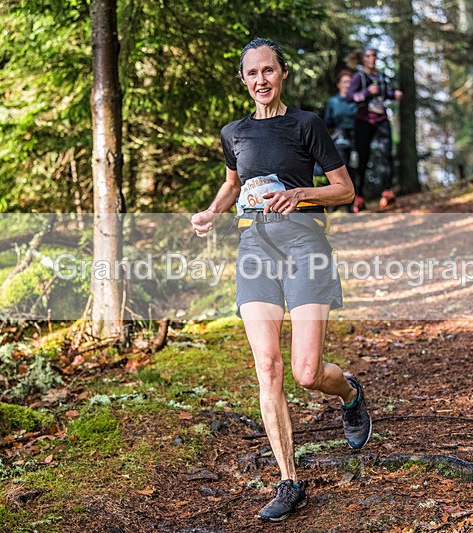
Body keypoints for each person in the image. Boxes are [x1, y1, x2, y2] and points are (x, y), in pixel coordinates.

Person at [190, 38, 373, 523]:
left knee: (307, 374)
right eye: (252, 73)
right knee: (267, 367)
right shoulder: (234, 132)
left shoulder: (305, 124)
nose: (261, 80)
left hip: (305, 246)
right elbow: (233, 183)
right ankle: (290, 480)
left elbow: (344, 189)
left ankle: (349, 393)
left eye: (268, 70)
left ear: (282, 73)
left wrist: (300, 195)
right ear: (243, 80)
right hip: (255, 250)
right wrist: (211, 212)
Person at [345, 46, 403, 212]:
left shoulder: (381, 76)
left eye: (374, 56)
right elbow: (349, 97)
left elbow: (385, 93)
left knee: (387, 154)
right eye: (368, 56)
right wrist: (366, 92)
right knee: (362, 159)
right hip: (363, 121)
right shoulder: (359, 77)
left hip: (381, 119)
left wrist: (394, 95)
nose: (372, 59)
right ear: (363, 59)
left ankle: (387, 192)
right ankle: (359, 197)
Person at [323, 69, 358, 175]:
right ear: (339, 84)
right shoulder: (332, 102)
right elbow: (327, 122)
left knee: (356, 168)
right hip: (339, 139)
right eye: (345, 82)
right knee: (342, 168)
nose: (347, 85)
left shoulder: (357, 101)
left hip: (356, 139)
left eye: (350, 82)